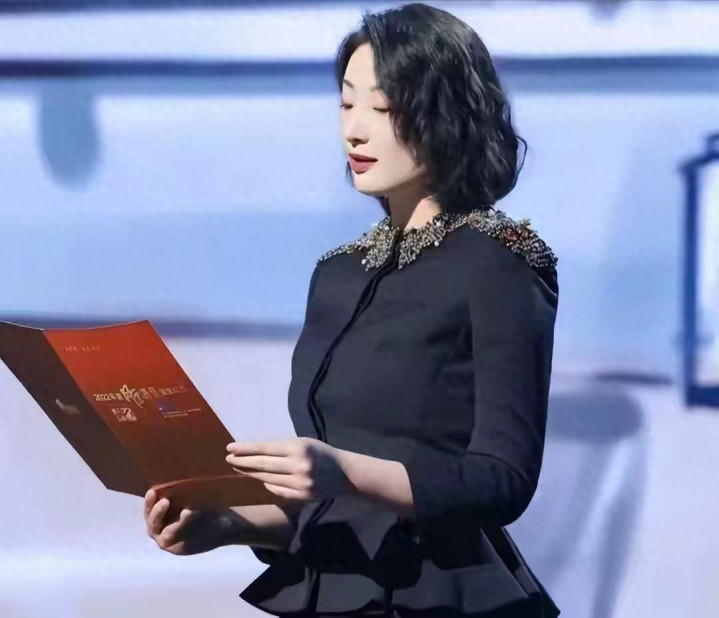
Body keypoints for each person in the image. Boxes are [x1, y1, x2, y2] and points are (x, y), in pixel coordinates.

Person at [144, 3, 560, 617]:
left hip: (442, 598)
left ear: (447, 114)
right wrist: (229, 524)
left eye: (382, 108)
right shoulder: (338, 272)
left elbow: (502, 480)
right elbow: (336, 505)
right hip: (338, 592)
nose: (355, 131)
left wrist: (345, 471)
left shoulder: (500, 259)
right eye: (346, 104)